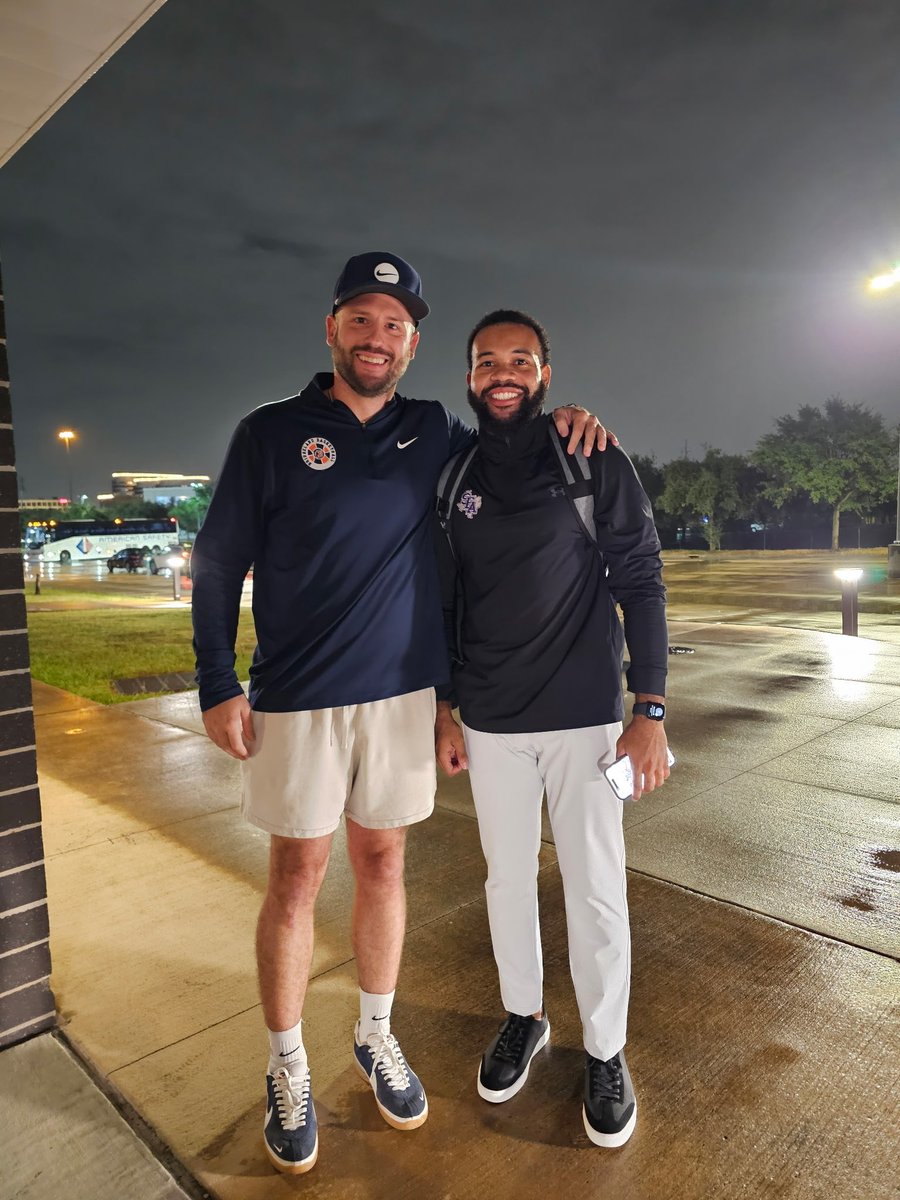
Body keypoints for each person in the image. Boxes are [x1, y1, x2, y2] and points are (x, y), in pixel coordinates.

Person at [191, 254, 612, 1175]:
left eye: (394, 325)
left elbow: (515, 439)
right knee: (297, 878)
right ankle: (287, 1063)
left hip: (401, 696)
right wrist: (216, 678)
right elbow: (220, 561)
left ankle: (376, 1036)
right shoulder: (270, 433)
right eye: (361, 319)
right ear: (332, 329)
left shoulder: (434, 431)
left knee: (383, 862)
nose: (376, 337)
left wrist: (572, 416)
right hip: (296, 697)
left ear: (415, 345)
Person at [434, 309, 669, 1149]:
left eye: (521, 360)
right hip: (491, 722)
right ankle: (524, 1017)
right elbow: (447, 599)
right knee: (505, 881)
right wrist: (442, 707)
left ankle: (605, 1051)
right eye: (488, 360)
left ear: (544, 374)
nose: (504, 372)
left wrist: (650, 712)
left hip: (590, 726)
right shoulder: (453, 470)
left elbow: (641, 579)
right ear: (468, 375)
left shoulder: (590, 456)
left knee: (596, 885)